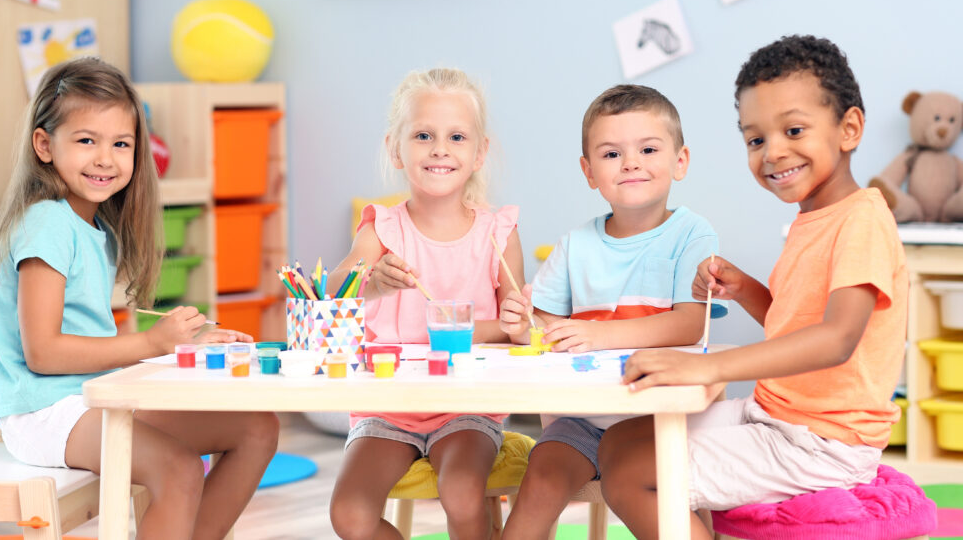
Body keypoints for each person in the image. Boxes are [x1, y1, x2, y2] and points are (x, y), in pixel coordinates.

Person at [599, 35, 908, 539]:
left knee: (633, 475)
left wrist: (707, 366)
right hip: (777, 416)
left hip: (823, 442)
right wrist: (746, 289)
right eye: (755, 139)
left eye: (793, 129)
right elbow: (794, 327)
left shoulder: (861, 221)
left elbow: (836, 340)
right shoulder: (815, 219)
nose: (772, 152)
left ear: (848, 128)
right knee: (620, 443)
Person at [0, 58, 280, 540]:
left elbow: (89, 342)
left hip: (93, 397)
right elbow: (44, 351)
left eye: (121, 144)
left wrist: (187, 343)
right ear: (44, 145)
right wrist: (150, 345)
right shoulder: (47, 223)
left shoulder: (93, 227)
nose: (106, 158)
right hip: (46, 412)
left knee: (257, 429)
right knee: (179, 469)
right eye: (86, 141)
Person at [498, 84, 724, 539]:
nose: (631, 162)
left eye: (648, 148)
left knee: (643, 495)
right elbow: (542, 329)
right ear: (588, 171)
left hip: (659, 417)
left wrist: (597, 335)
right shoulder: (575, 243)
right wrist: (521, 326)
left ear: (680, 161)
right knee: (539, 478)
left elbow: (688, 322)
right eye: (611, 153)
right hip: (579, 421)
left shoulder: (692, 233)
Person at [328, 67, 524, 540]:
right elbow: (330, 291)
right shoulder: (381, 228)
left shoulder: (497, 232)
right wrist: (370, 283)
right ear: (396, 149)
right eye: (423, 135)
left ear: (479, 153)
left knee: (461, 494)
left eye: (456, 136)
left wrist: (513, 324)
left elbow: (518, 326)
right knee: (349, 515)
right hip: (387, 406)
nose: (440, 148)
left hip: (467, 405)